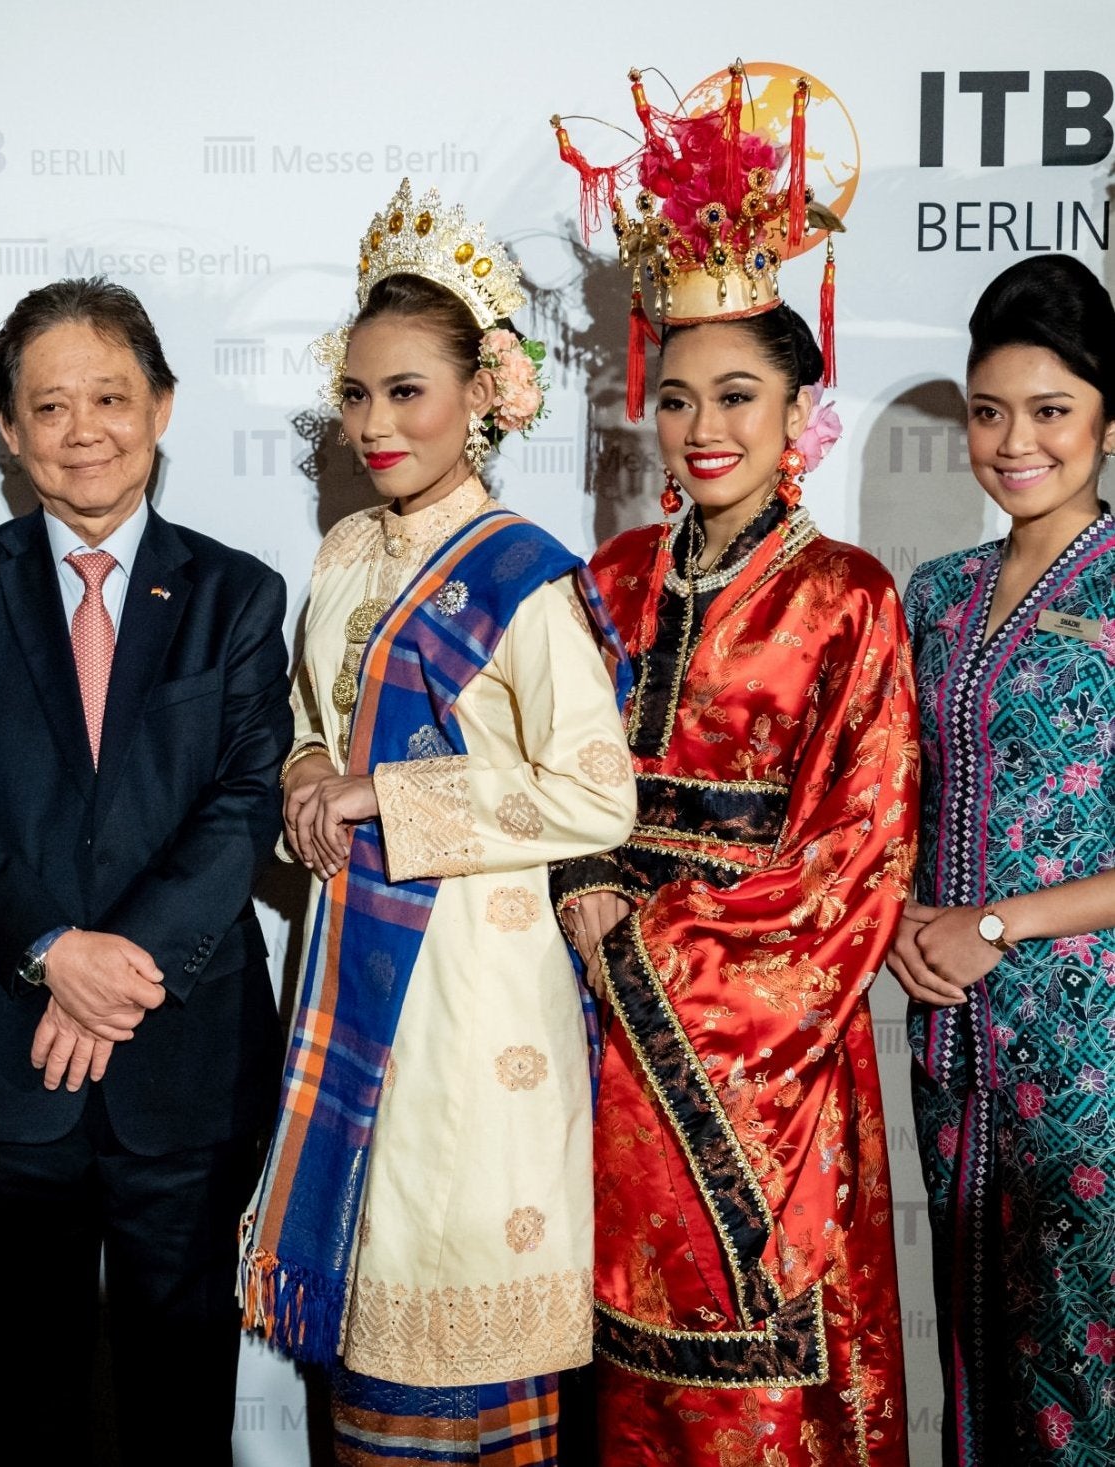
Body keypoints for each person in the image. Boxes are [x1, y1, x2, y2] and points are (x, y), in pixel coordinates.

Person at [547, 66, 915, 1463]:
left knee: (760, 1389)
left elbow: (854, 859)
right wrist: (582, 874)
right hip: (593, 1017)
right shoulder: (612, 579)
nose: (706, 428)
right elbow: (550, 773)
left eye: (741, 395)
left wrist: (644, 940)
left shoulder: (848, 596)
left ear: (798, 404)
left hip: (759, 1045)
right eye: (682, 395)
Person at [239, 179, 637, 1467]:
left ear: (485, 393)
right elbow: (315, 716)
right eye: (355, 394)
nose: (375, 423)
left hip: (478, 975)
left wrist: (388, 797)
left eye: (407, 390)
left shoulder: (522, 571)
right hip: (355, 955)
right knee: (376, 1268)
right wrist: (309, 774)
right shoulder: (347, 552)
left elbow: (595, 793)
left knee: (455, 1255)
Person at [0, 276, 289, 1465]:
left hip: (183, 1060)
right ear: (9, 432)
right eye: (50, 406)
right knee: (25, 1411)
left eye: (112, 397)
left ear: (163, 406)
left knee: (180, 1413)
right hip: (12, 1055)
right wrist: (53, 954)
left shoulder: (236, 593)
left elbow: (242, 806)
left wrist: (119, 972)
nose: (85, 432)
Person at [892, 252, 1115, 1462]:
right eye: (989, 412)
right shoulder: (939, 592)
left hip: (1090, 1050)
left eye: (1051, 411)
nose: (1014, 441)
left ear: (1107, 421)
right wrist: (905, 919)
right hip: (954, 1044)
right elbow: (899, 802)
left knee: (1087, 1361)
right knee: (977, 1344)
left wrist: (996, 926)